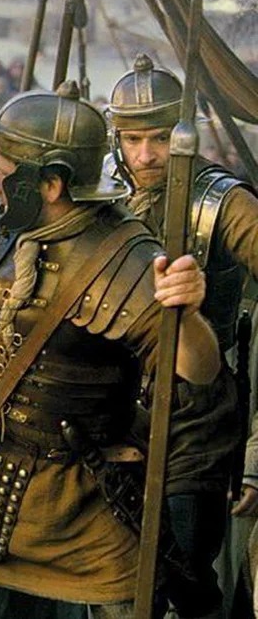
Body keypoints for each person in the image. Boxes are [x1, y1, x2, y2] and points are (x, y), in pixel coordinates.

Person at [0, 81, 220, 618]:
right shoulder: (3, 220)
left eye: (4, 167)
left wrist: (189, 314)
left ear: (53, 184)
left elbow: (198, 369)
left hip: (82, 493)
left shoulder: (127, 258)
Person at [105, 53, 258, 618]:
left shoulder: (224, 205)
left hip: (198, 420)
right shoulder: (104, 199)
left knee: (184, 583)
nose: (146, 155)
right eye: (133, 139)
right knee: (113, 588)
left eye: (161, 138)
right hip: (115, 414)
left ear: (185, 134)